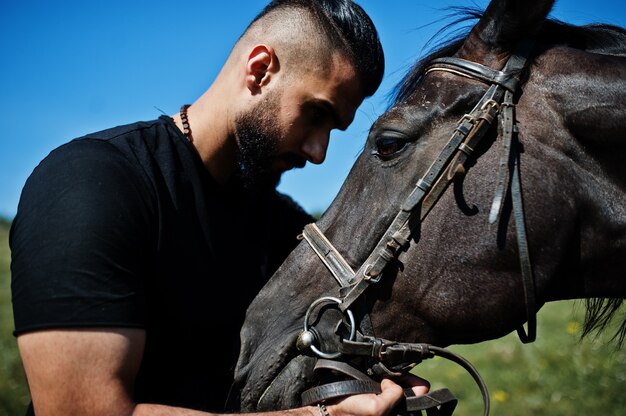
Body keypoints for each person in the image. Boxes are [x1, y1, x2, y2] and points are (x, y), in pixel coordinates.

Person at [10, 1, 429, 415]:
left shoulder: (285, 228)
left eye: (332, 130)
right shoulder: (92, 184)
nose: (318, 152)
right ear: (260, 69)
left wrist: (373, 383)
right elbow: (82, 412)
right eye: (315, 114)